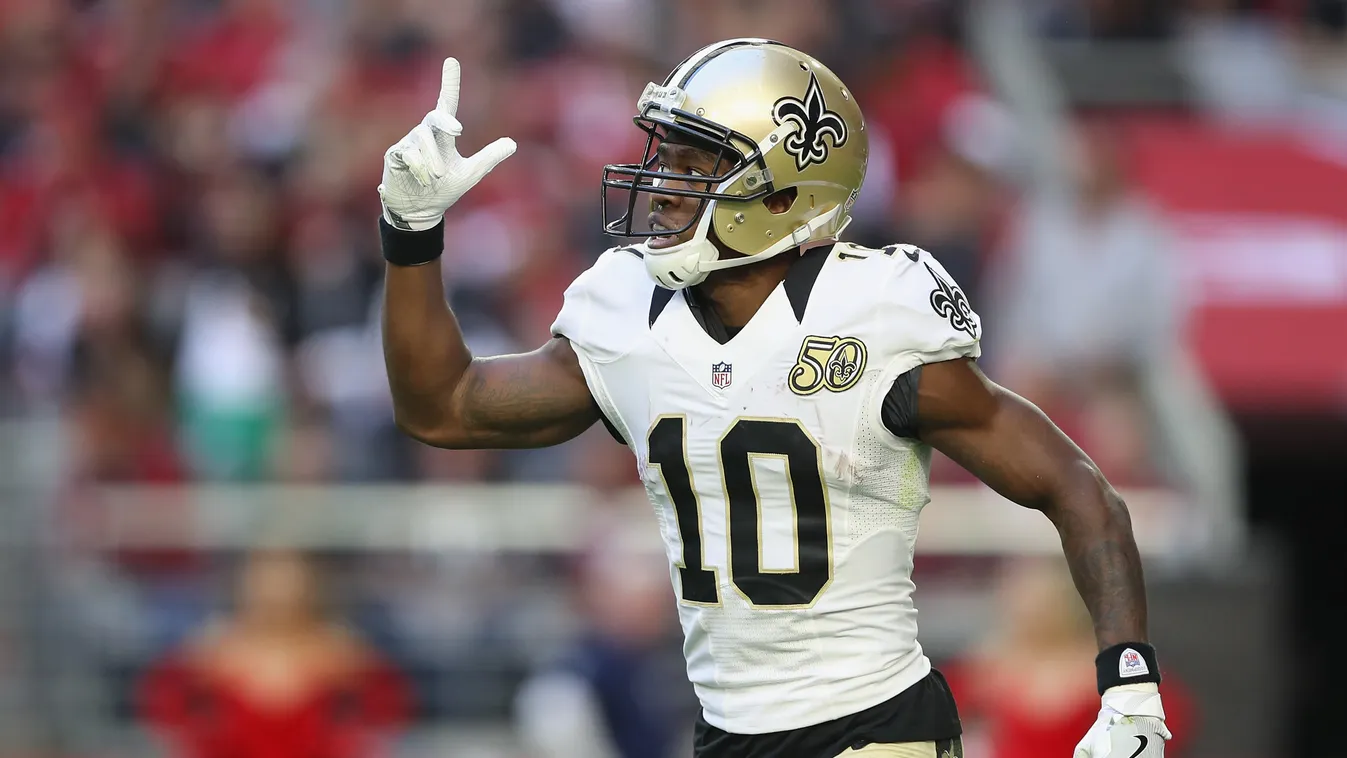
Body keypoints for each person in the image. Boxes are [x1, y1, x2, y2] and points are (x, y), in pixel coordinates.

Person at [378, 40, 1172, 758]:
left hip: (875, 724)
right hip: (728, 731)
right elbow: (443, 407)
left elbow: (1075, 485)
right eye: (664, 156)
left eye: (695, 166)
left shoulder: (873, 314)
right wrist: (410, 235)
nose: (659, 187)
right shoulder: (626, 308)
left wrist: (1126, 678)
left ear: (784, 197)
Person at [138, 549, 411, 758]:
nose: (276, 589)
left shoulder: (344, 654)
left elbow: (388, 711)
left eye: (287, 575)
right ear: (243, 582)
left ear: (310, 582)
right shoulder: (209, 653)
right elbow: (164, 708)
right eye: (265, 575)